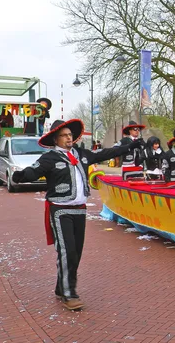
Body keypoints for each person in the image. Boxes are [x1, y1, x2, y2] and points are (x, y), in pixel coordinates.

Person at [11, 119, 143, 310]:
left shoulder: (82, 154)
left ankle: (60, 286)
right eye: (64, 135)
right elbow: (35, 170)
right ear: (56, 139)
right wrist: (21, 176)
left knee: (76, 253)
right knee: (67, 251)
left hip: (79, 210)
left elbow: (106, 153)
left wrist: (129, 146)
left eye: (70, 135)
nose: (69, 138)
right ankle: (68, 293)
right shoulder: (50, 158)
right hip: (60, 210)